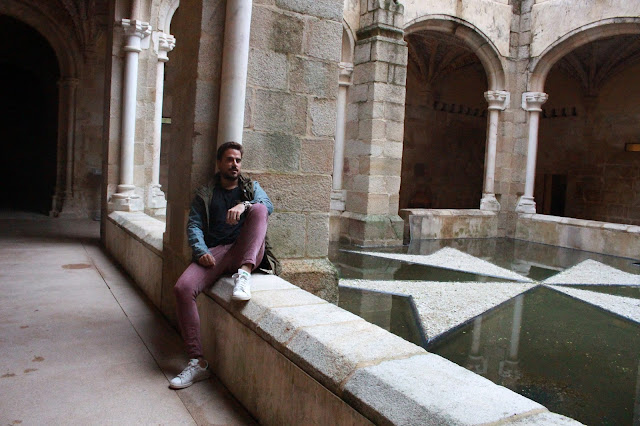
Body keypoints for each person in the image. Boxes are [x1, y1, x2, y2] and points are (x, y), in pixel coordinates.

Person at [169, 141, 279, 389]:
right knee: (183, 289)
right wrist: (200, 251)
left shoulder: (250, 188)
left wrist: (244, 204)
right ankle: (197, 362)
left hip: (245, 251)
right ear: (219, 163)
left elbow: (267, 206)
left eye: (238, 160)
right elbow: (194, 225)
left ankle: (244, 275)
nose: (234, 164)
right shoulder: (205, 193)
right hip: (216, 253)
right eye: (229, 159)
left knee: (259, 209)